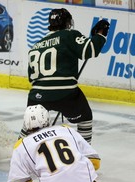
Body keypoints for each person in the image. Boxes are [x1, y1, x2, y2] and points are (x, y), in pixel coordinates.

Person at [19, 8, 110, 144]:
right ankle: (85, 153)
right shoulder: (69, 35)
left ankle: (19, 149)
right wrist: (100, 35)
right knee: (85, 118)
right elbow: (90, 50)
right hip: (65, 93)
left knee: (30, 124)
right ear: (67, 23)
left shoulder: (36, 45)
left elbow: (31, 77)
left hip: (36, 94)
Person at [3, 105, 105, 182]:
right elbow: (95, 161)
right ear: (47, 119)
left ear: (26, 124)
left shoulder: (21, 145)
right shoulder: (66, 130)